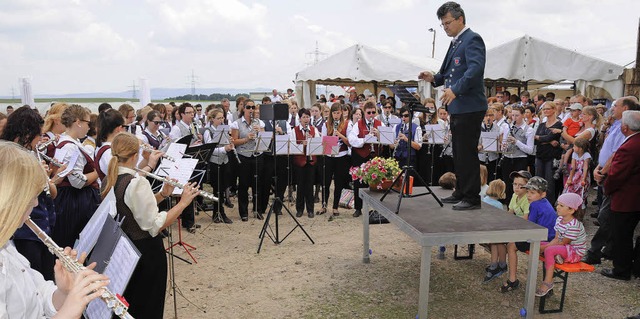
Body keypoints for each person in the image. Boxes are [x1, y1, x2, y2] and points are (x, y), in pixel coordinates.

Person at [0, 141, 108, 318]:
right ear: (8, 198)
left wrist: (64, 292)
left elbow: (37, 295)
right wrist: (69, 311)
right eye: (31, 197)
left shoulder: (7, 246)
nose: (35, 203)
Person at [101, 132, 198, 318]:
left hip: (124, 250)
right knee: (148, 304)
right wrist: (183, 203)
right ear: (135, 156)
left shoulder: (109, 178)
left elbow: (135, 208)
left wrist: (162, 195)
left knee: (132, 302)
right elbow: (154, 225)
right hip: (145, 252)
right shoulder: (137, 182)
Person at [418, 1, 487, 210]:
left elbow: (474, 70)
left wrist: (455, 89)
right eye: (443, 24)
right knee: (458, 152)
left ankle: (472, 197)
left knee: (467, 152)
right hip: (458, 106)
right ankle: (461, 190)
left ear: (460, 19)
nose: (446, 26)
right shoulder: (457, 42)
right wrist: (434, 78)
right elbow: (448, 73)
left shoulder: (472, 39)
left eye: (448, 22)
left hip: (469, 105)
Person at [583, 97, 639, 265]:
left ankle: (595, 252)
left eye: (616, 106)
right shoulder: (616, 124)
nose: (612, 108)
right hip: (605, 171)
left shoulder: (629, 130)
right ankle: (610, 250)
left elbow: (616, 154)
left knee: (606, 216)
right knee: (608, 215)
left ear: (626, 108)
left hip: (612, 175)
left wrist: (602, 172)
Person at [53, 105, 101, 249]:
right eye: (88, 123)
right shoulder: (70, 147)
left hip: (71, 199)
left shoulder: (66, 142)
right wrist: (99, 171)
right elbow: (78, 181)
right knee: (75, 242)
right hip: (74, 203)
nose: (89, 127)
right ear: (78, 122)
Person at [600, 110, 640, 281]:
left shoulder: (629, 147)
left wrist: (605, 187)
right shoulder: (634, 142)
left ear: (625, 127)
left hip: (626, 198)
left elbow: (617, 175)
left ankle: (621, 269)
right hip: (634, 197)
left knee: (622, 235)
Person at [501, 177, 556, 293]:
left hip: (541, 238)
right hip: (549, 237)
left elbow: (529, 227)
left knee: (511, 246)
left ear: (543, 194)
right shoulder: (544, 203)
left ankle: (512, 280)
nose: (529, 196)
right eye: (528, 192)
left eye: (532, 193)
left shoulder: (535, 205)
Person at [536, 192, 587, 297]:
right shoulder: (559, 219)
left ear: (571, 210)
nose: (557, 207)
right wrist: (542, 246)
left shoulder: (574, 225)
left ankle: (548, 282)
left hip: (575, 251)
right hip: (564, 247)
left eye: (561, 205)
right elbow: (556, 239)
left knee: (548, 250)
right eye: (558, 204)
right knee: (538, 243)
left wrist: (543, 248)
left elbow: (563, 242)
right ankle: (557, 256)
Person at [231, 99, 266, 221]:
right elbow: (234, 142)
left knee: (258, 184)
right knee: (243, 185)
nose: (251, 110)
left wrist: (260, 133)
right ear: (243, 109)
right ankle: (243, 212)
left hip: (257, 155)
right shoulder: (236, 123)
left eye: (252, 107)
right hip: (244, 156)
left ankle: (257, 210)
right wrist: (246, 139)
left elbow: (264, 140)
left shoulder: (259, 122)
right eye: (248, 107)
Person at [348, 101, 382, 217]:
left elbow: (387, 141)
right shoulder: (358, 124)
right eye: (369, 113)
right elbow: (352, 140)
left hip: (373, 156)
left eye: (373, 112)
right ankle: (358, 208)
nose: (371, 115)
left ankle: (374, 209)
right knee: (358, 182)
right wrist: (364, 140)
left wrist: (378, 135)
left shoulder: (379, 123)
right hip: (360, 155)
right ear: (364, 112)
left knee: (374, 182)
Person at [203, 109, 234, 224]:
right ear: (212, 119)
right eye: (218, 118)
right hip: (215, 162)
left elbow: (226, 144)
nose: (221, 120)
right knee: (217, 190)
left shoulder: (224, 129)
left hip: (224, 161)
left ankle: (220, 212)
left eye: (222, 118)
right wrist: (224, 149)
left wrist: (230, 144)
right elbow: (209, 150)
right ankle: (218, 213)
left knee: (222, 188)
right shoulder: (208, 131)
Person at [291, 108, 320, 218]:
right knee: (300, 186)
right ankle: (299, 209)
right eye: (304, 117)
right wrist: (303, 144)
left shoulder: (314, 129)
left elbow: (318, 144)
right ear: (300, 119)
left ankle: (310, 210)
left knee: (309, 186)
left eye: (308, 117)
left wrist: (312, 140)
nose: (306, 119)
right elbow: (293, 147)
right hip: (299, 162)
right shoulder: (295, 130)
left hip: (311, 161)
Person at [534, 101, 563, 204]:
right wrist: (548, 141)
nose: (545, 111)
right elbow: (535, 139)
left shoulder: (559, 124)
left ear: (554, 110)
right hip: (540, 155)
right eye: (544, 109)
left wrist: (543, 139)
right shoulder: (542, 125)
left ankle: (549, 205)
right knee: (538, 181)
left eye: (548, 109)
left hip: (551, 157)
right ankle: (537, 202)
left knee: (549, 183)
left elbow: (550, 137)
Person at [482, 179, 508, 282]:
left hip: (485, 228)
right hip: (493, 230)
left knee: (496, 242)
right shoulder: (498, 205)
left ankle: (496, 264)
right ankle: (497, 265)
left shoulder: (484, 199)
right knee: (497, 241)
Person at [564, 137, 591, 206]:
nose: (573, 148)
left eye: (574, 146)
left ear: (580, 148)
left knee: (581, 191)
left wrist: (583, 179)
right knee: (570, 188)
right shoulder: (574, 154)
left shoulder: (586, 155)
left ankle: (579, 205)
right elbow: (573, 167)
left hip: (582, 176)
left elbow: (585, 167)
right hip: (575, 175)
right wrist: (570, 178)